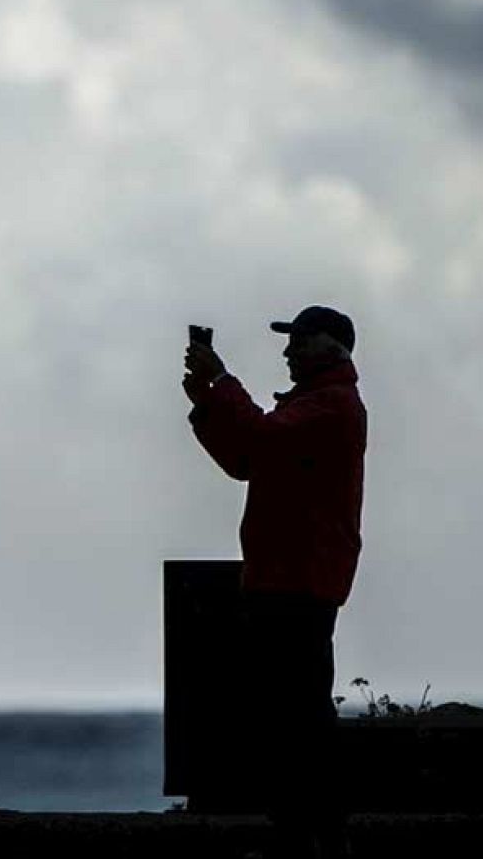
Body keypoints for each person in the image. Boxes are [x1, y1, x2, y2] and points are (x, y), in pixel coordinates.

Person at [182, 305, 366, 859]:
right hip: (286, 576)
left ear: (332, 347)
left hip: (299, 579)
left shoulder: (332, 406)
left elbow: (258, 441)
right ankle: (307, 835)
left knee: (298, 715)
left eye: (300, 341)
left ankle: (314, 837)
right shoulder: (315, 405)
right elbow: (245, 459)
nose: (289, 352)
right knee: (289, 713)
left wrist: (220, 383)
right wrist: (208, 402)